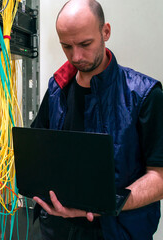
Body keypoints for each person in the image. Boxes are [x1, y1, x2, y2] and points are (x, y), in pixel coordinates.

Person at [31, 0, 163, 239]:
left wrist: (106, 204)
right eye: (66, 46)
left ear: (106, 32)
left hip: (118, 231)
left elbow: (160, 176)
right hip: (58, 230)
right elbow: (37, 154)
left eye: (85, 44)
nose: (76, 56)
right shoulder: (56, 88)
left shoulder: (144, 95)